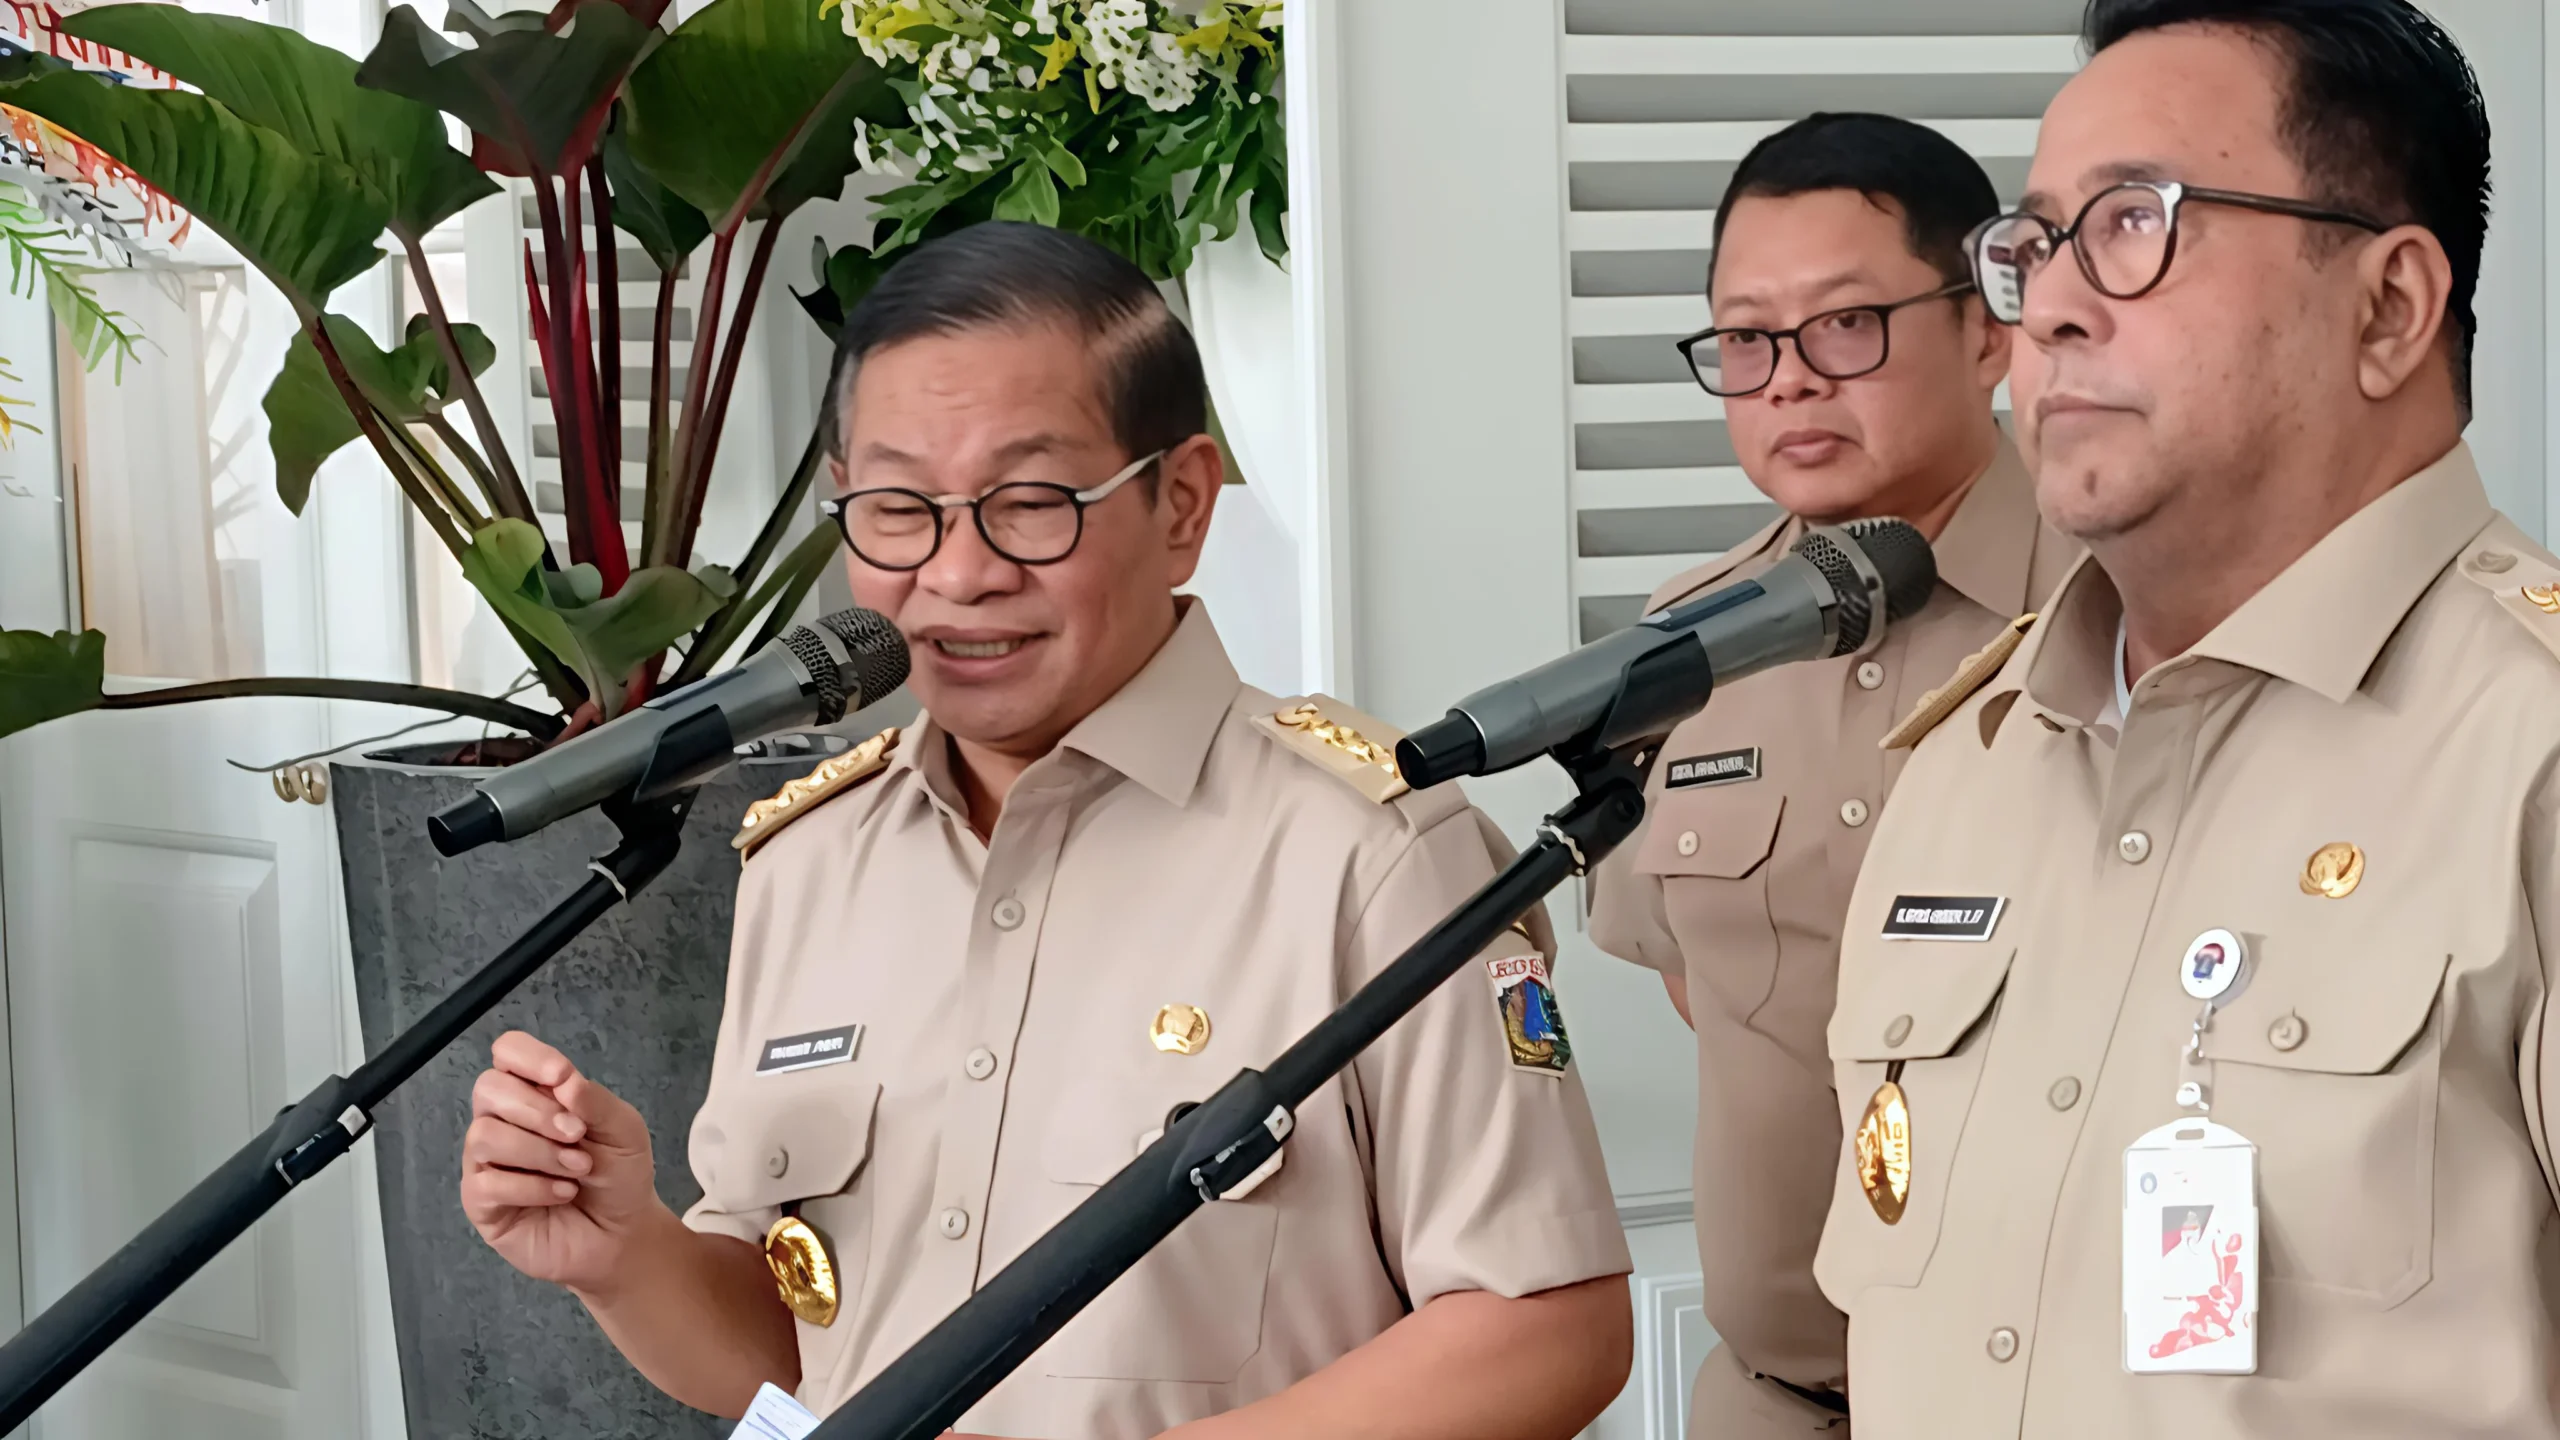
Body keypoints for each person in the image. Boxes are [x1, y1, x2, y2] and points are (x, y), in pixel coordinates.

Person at [453, 221, 1635, 1439]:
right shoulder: (807, 860)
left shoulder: (1367, 853)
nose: (958, 573)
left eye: (1028, 503)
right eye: (897, 508)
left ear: (1182, 502)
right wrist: (625, 1253)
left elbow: (1546, 1326)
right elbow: (800, 1355)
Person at [1818, 2, 2559, 1434]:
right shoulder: (1970, 761)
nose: (2051, 307)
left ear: (2389, 308)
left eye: (2133, 226)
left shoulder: (2528, 754)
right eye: (2036, 245)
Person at [1587, 113, 2077, 1435]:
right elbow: (1710, 996)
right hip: (1779, 1400)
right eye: (1746, 340)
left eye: (1847, 325)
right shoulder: (1687, 648)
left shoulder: (2128, 612)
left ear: (1989, 330)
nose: (1789, 381)